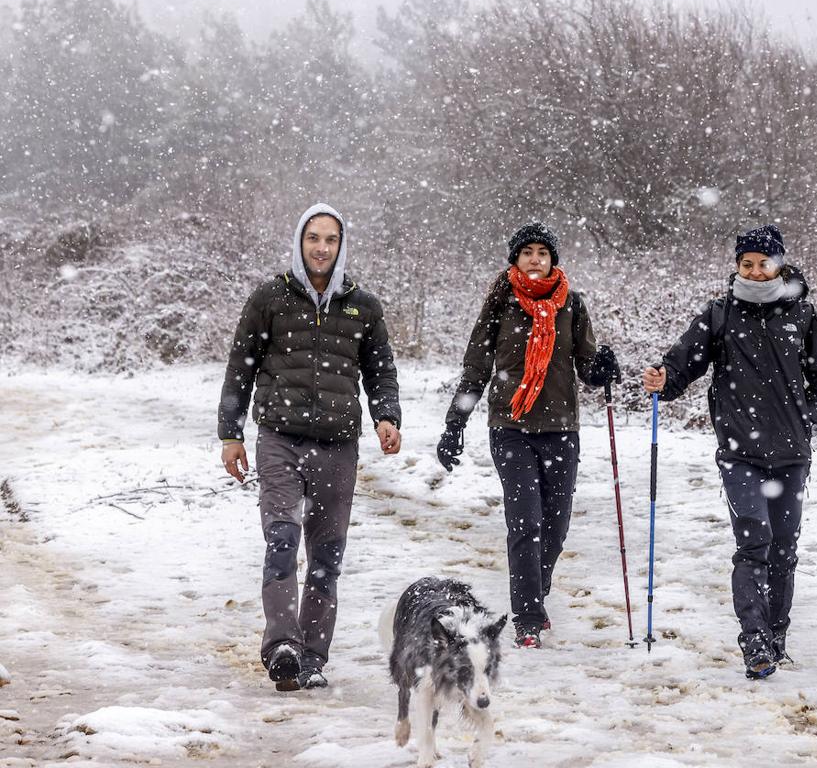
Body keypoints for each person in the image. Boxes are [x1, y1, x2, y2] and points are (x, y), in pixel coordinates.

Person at [642, 224, 817, 679]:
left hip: (791, 454)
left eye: (763, 262)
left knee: (784, 550)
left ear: (779, 264)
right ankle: (755, 644)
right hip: (740, 453)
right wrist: (662, 380)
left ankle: (776, 636)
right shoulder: (721, 314)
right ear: (737, 266)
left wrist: (808, 420)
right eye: (746, 263)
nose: (755, 270)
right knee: (754, 542)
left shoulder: (803, 317)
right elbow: (681, 365)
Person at [218, 203, 402, 691]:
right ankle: (282, 644)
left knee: (327, 555)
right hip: (279, 437)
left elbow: (381, 370)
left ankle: (313, 657)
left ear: (341, 246)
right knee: (282, 540)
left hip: (338, 445)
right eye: (313, 238)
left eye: (331, 240)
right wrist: (230, 433)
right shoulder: (270, 298)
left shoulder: (363, 305)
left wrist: (387, 416)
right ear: (299, 242)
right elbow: (241, 366)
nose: (321, 248)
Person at [437, 222, 620, 649]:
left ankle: (535, 593)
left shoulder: (570, 305)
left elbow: (588, 366)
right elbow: (476, 369)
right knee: (526, 523)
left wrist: (603, 368)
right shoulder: (501, 305)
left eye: (543, 252)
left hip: (560, 430)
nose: (535, 259)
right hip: (511, 428)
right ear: (514, 260)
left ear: (553, 259)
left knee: (555, 529)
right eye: (527, 252)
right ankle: (527, 618)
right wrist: (454, 425)